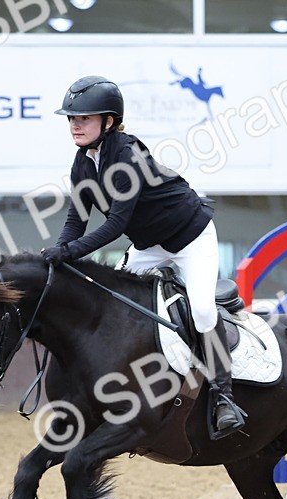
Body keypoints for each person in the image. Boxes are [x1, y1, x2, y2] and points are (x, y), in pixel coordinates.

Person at [41, 75, 246, 439]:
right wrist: (58, 257)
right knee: (108, 302)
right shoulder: (83, 161)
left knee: (200, 310)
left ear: (108, 122)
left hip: (191, 238)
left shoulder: (128, 155)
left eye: (83, 118)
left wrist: (70, 252)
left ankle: (223, 397)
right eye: (71, 118)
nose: (75, 124)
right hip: (149, 245)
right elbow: (77, 218)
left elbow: (117, 224)